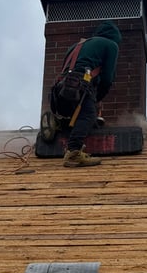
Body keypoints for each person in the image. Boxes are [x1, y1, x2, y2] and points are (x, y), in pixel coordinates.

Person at [41, 20, 121, 167]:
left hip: (60, 90)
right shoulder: (111, 45)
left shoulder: (75, 46)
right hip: (82, 86)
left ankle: (57, 122)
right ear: (115, 37)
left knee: (76, 116)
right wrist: (96, 99)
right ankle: (73, 153)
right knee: (88, 116)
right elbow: (107, 79)